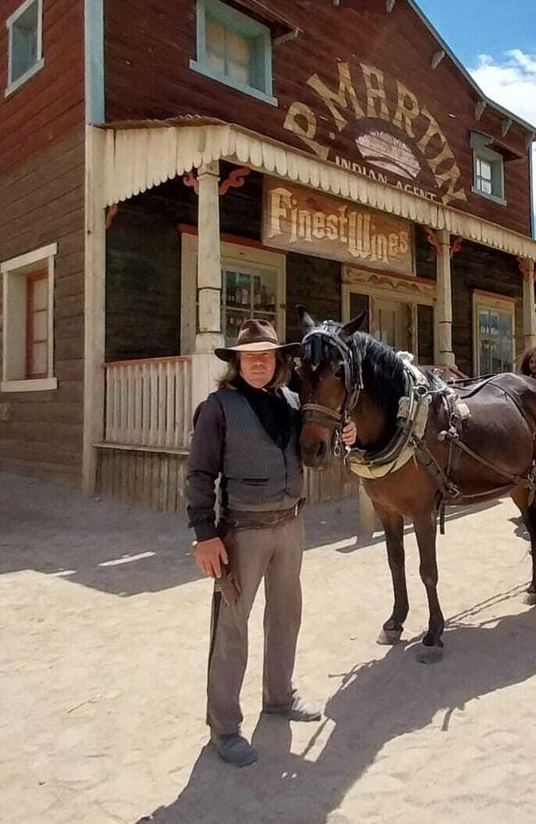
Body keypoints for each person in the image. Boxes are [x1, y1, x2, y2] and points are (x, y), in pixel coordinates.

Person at [186, 319, 323, 767]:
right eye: (250, 357)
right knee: (231, 630)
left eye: (266, 355)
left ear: (278, 361)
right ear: (237, 362)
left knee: (286, 617)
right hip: (242, 531)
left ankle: (279, 697)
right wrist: (205, 535)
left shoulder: (291, 403)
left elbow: (311, 454)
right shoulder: (218, 408)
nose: (259, 363)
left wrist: (345, 439)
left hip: (291, 525)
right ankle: (224, 728)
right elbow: (200, 475)